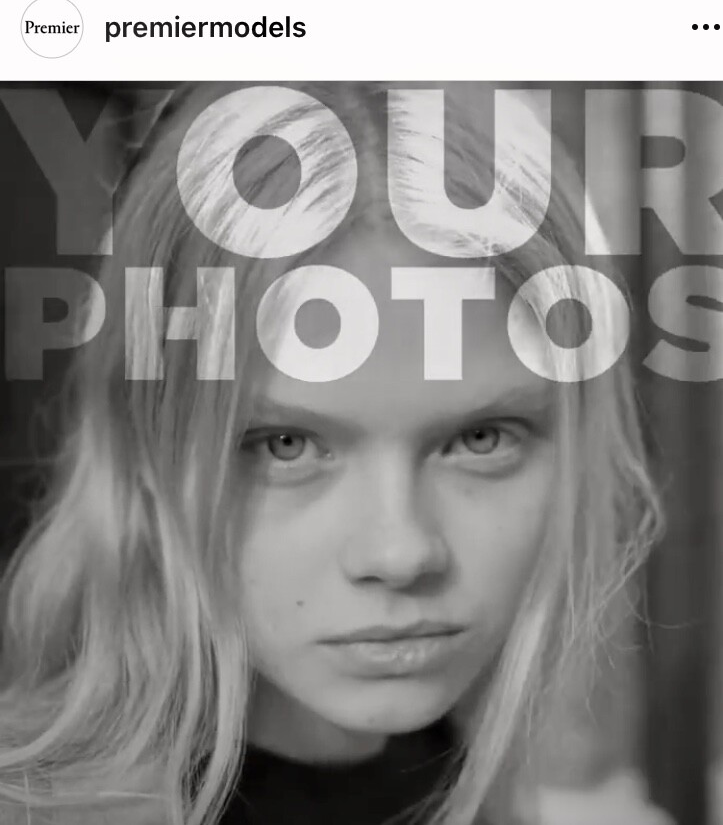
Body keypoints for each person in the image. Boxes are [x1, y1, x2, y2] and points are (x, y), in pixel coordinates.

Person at [0, 82, 663, 825]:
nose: (401, 553)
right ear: (144, 453)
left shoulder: (465, 776)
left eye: (480, 439)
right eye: (284, 446)